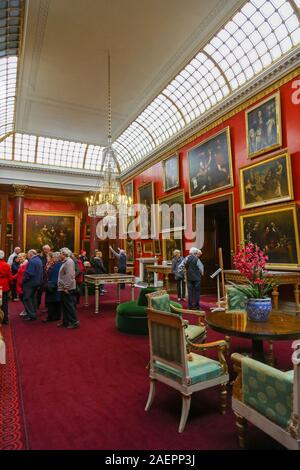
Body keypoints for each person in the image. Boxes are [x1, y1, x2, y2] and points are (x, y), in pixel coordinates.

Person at [57, 247, 80, 329]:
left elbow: (69, 276)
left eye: (60, 253)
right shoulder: (65, 261)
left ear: (64, 254)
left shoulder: (69, 262)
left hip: (68, 288)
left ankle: (74, 322)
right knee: (65, 306)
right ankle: (66, 322)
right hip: (64, 287)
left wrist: (66, 287)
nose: (59, 255)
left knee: (69, 305)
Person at [22, 249, 43, 321]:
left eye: (27, 254)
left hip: (30, 283)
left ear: (30, 254)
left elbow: (29, 273)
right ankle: (33, 312)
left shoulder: (32, 261)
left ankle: (31, 315)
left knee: (27, 299)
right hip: (36, 283)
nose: (27, 255)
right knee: (33, 298)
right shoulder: (39, 260)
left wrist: (23, 281)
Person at [43, 252, 62, 323]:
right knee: (56, 303)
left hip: (53, 287)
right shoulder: (58, 264)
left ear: (56, 258)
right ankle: (56, 316)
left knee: (52, 302)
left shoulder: (57, 265)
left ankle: (51, 317)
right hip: (56, 286)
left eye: (53, 257)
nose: (52, 259)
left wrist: (49, 285)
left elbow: (55, 277)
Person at [12, 253, 28, 317]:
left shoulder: (27, 264)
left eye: (21, 257)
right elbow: (18, 274)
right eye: (19, 257)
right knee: (22, 298)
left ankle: (27, 310)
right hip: (19, 284)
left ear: (24, 257)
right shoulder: (21, 264)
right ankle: (26, 310)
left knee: (24, 298)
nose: (19, 258)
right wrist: (11, 277)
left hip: (23, 284)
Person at [0, 250, 13, 324]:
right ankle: (5, 319)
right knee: (5, 303)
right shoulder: (6, 265)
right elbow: (10, 277)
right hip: (4, 285)